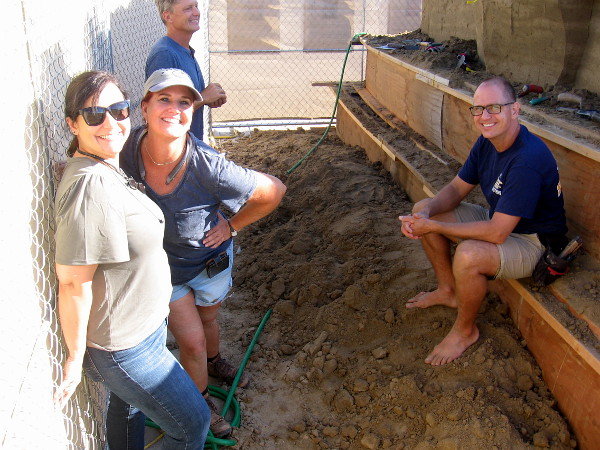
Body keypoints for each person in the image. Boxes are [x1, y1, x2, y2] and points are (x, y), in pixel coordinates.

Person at [120, 68, 286, 437]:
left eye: (185, 103)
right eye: (164, 99)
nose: (174, 109)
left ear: (192, 113)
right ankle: (200, 403)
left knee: (209, 321)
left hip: (210, 263)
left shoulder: (209, 166)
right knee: (190, 342)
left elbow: (274, 190)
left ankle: (214, 362)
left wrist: (232, 224)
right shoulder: (127, 149)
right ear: (145, 107)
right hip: (169, 271)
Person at [54, 70, 210, 449]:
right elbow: (74, 281)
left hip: (144, 330)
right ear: (73, 124)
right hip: (127, 348)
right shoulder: (90, 184)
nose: (111, 123)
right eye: (95, 115)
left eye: (119, 110)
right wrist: (75, 358)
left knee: (127, 410)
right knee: (193, 424)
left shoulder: (104, 165)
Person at [399, 77, 567, 367]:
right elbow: (455, 190)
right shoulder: (488, 142)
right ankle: (448, 291)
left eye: (493, 108)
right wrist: (425, 216)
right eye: (478, 109)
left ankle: (465, 331)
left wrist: (436, 227)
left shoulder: (526, 160)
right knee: (424, 206)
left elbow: (497, 233)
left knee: (468, 256)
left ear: (515, 110)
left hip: (533, 242)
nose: (484, 117)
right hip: (502, 219)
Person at [147, 0, 227, 141]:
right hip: (174, 154)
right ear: (168, 16)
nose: (196, 12)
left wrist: (209, 99)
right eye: (188, 9)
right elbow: (160, 115)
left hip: (189, 148)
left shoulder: (185, 50)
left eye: (196, 6)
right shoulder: (165, 54)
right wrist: (203, 98)